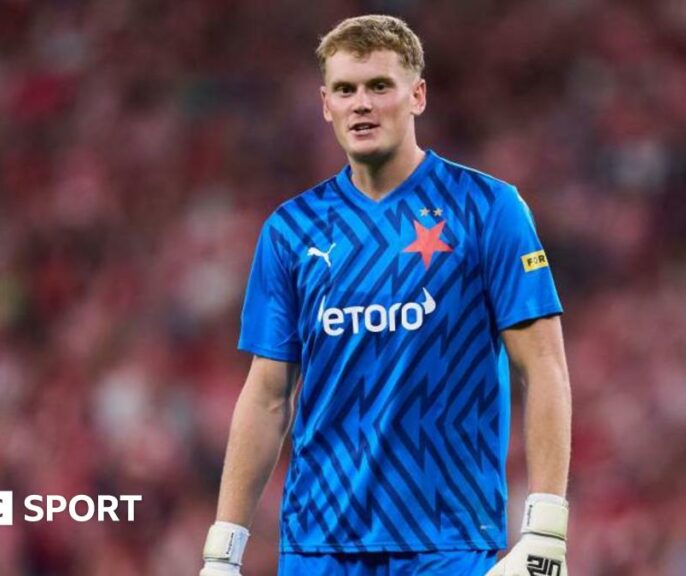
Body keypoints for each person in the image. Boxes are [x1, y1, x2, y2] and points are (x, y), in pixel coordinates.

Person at [200, 14, 572, 576]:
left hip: (445, 540)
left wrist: (546, 526)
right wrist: (222, 553)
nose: (361, 104)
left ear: (417, 95)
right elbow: (268, 396)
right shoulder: (292, 231)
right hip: (318, 543)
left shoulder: (487, 210)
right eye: (346, 90)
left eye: (380, 86)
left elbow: (543, 367)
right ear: (325, 104)